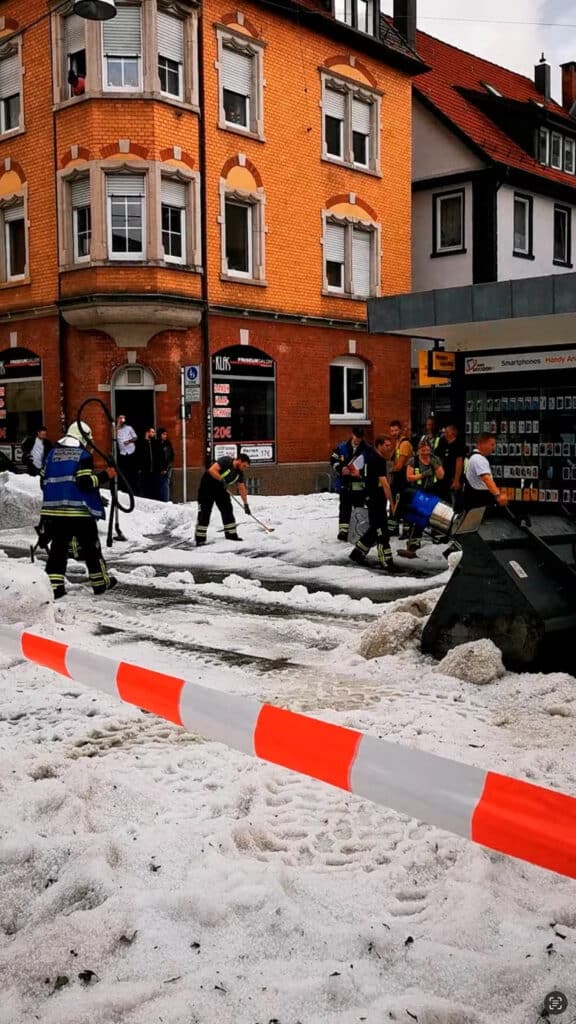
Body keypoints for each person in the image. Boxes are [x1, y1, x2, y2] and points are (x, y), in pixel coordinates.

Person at [39, 421, 117, 599]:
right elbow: (84, 483)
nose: (89, 446)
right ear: (82, 437)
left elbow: (44, 481)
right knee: (91, 547)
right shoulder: (82, 456)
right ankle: (100, 583)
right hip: (78, 512)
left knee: (58, 549)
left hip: (55, 512)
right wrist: (106, 475)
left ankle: (55, 587)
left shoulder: (51, 454)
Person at [348, 436, 395, 572]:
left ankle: (358, 553)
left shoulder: (370, 457)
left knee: (375, 528)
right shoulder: (378, 460)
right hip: (376, 499)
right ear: (379, 445)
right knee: (382, 531)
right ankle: (385, 560)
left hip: (371, 497)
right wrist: (392, 503)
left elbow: (364, 474)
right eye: (386, 445)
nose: (389, 448)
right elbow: (385, 484)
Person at [398, 439, 445, 559]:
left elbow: (441, 476)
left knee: (427, 516)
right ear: (418, 450)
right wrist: (423, 475)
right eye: (422, 449)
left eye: (427, 449)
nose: (425, 452)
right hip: (417, 492)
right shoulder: (413, 461)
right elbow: (409, 477)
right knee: (417, 516)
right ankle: (412, 544)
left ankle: (428, 538)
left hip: (431, 491)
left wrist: (435, 465)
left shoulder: (435, 460)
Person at [195, 454, 251, 545]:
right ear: (239, 461)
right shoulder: (226, 461)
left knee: (227, 510)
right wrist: (222, 480)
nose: (244, 468)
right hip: (207, 488)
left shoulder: (239, 473)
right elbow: (212, 470)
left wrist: (246, 504)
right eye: (244, 466)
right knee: (205, 513)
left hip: (221, 489)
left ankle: (231, 535)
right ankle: (200, 539)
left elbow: (242, 488)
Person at [330, 426, 371, 541]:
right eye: (356, 436)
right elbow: (333, 460)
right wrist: (340, 468)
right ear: (352, 435)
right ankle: (344, 531)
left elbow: (371, 464)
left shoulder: (367, 449)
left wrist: (361, 472)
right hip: (345, 483)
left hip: (359, 483)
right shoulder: (342, 447)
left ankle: (358, 530)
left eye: (360, 437)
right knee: (345, 508)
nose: (358, 439)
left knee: (359, 507)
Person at [462, 433, 508, 510]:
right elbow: (486, 478)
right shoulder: (478, 459)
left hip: (474, 497)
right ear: (481, 444)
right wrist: (498, 495)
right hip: (479, 499)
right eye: (492, 445)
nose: (493, 448)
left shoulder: (472, 456)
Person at [388, 420, 414, 536]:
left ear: (400, 430)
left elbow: (399, 465)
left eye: (396, 430)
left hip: (403, 478)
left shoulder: (404, 444)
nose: (393, 433)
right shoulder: (398, 443)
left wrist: (390, 471)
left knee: (400, 503)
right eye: (392, 431)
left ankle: (404, 530)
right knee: (395, 502)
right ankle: (394, 528)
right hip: (399, 477)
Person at [436, 423, 465, 505]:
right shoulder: (443, 443)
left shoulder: (458, 445)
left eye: (447, 431)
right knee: (444, 498)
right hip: (443, 477)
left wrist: (456, 480)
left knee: (454, 499)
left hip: (453, 477)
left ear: (453, 433)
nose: (444, 433)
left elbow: (459, 463)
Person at [137, 426, 161, 499]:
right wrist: (140, 467)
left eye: (154, 432)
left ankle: (152, 497)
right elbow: (139, 455)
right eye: (152, 432)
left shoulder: (154, 442)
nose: (154, 434)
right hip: (144, 469)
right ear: (147, 433)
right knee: (144, 485)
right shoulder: (141, 443)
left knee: (152, 485)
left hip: (153, 469)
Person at [116, 414, 138, 492]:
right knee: (123, 471)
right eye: (120, 418)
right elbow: (113, 436)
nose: (122, 420)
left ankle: (133, 489)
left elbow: (135, 437)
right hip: (122, 453)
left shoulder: (129, 428)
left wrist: (129, 441)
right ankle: (123, 488)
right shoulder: (116, 429)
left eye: (123, 418)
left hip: (131, 452)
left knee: (131, 471)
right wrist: (118, 423)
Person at [157, 427, 175, 502]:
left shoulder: (167, 443)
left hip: (167, 467)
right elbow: (158, 457)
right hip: (161, 467)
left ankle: (166, 500)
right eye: (163, 434)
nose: (165, 436)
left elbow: (171, 455)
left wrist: (166, 467)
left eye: (166, 434)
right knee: (162, 484)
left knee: (166, 483)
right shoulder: (157, 443)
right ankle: (163, 499)